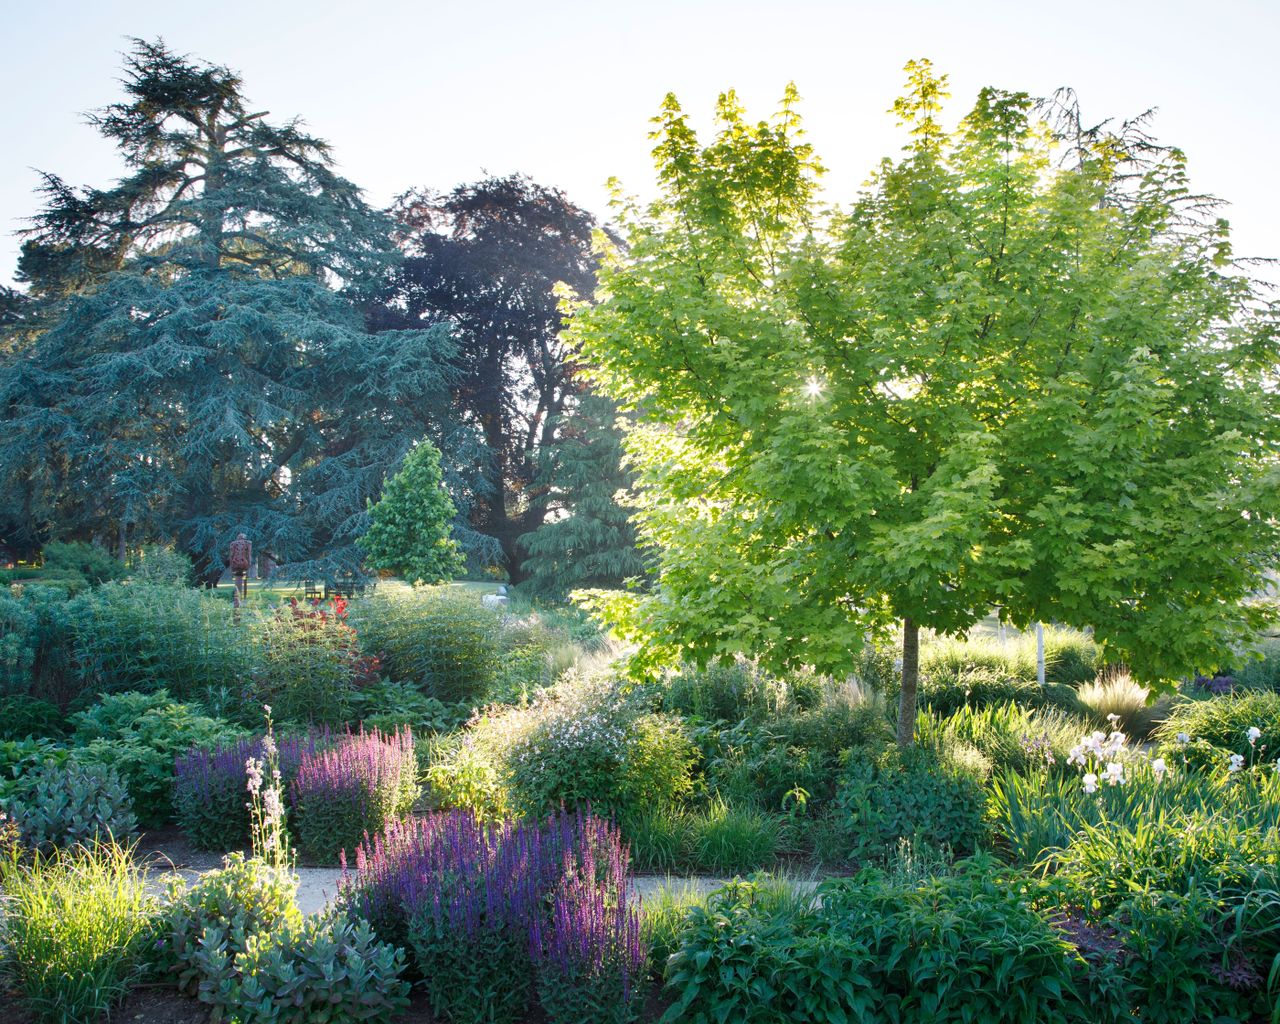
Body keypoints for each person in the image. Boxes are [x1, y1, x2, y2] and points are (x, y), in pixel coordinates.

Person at [229, 532, 252, 606]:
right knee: (240, 576)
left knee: (238, 576)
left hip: (235, 563)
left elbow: (231, 555)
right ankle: (237, 602)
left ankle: (237, 602)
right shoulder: (248, 543)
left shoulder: (233, 543)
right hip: (244, 563)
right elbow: (248, 554)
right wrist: (249, 563)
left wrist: (231, 565)